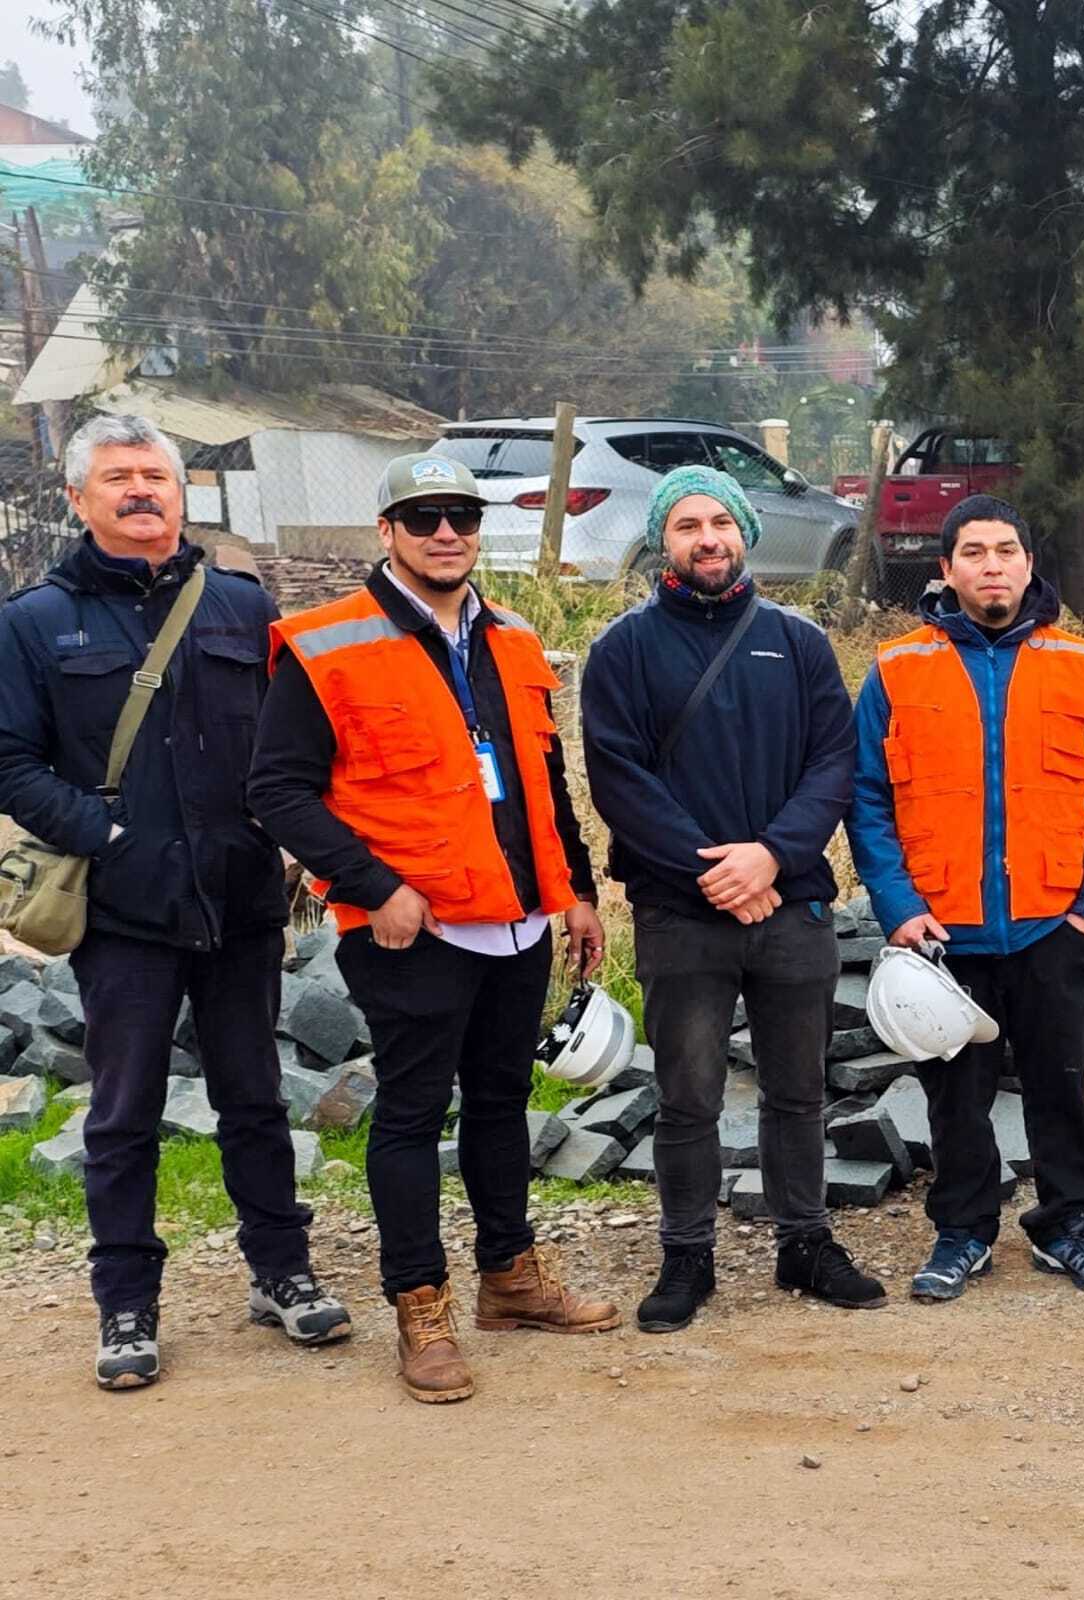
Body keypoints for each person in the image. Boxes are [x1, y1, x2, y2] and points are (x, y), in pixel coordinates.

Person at [248, 451, 618, 1404]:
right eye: (424, 517)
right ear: (387, 533)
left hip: (518, 918)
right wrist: (374, 885)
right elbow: (277, 790)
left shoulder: (515, 639)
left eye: (460, 513)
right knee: (412, 1114)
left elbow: (540, 780)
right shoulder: (325, 643)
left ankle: (510, 1278)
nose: (446, 531)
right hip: (411, 928)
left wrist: (574, 889)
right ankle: (420, 1306)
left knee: (500, 1104)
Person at [0, 415, 349, 1390]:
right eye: (116, 477)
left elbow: (294, 742)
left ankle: (280, 1271)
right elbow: (10, 761)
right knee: (122, 1114)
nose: (139, 490)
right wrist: (103, 837)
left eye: (153, 473)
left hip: (241, 901)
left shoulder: (241, 604)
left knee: (253, 1098)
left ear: (180, 493)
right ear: (79, 499)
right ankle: (125, 1304)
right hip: (122, 913)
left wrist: (298, 844)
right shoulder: (33, 622)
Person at [581, 464, 885, 1334]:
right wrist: (716, 873)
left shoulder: (798, 643)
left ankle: (805, 1242)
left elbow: (834, 763)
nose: (706, 538)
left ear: (745, 532)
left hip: (791, 906)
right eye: (686, 525)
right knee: (688, 1097)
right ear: (663, 541)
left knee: (798, 1091)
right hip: (681, 913)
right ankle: (687, 1255)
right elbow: (619, 779)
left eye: (720, 521)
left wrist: (772, 860)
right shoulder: (623, 651)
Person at [850, 493, 1084, 1301]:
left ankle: (1065, 1226)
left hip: (1056, 922)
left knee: (1059, 1088)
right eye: (972, 552)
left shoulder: (1081, 665)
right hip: (945, 930)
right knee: (957, 1096)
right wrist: (899, 908)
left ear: (1027, 563)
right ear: (946, 570)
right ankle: (963, 1230)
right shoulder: (898, 667)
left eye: (1005, 550)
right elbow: (867, 797)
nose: (991, 565)